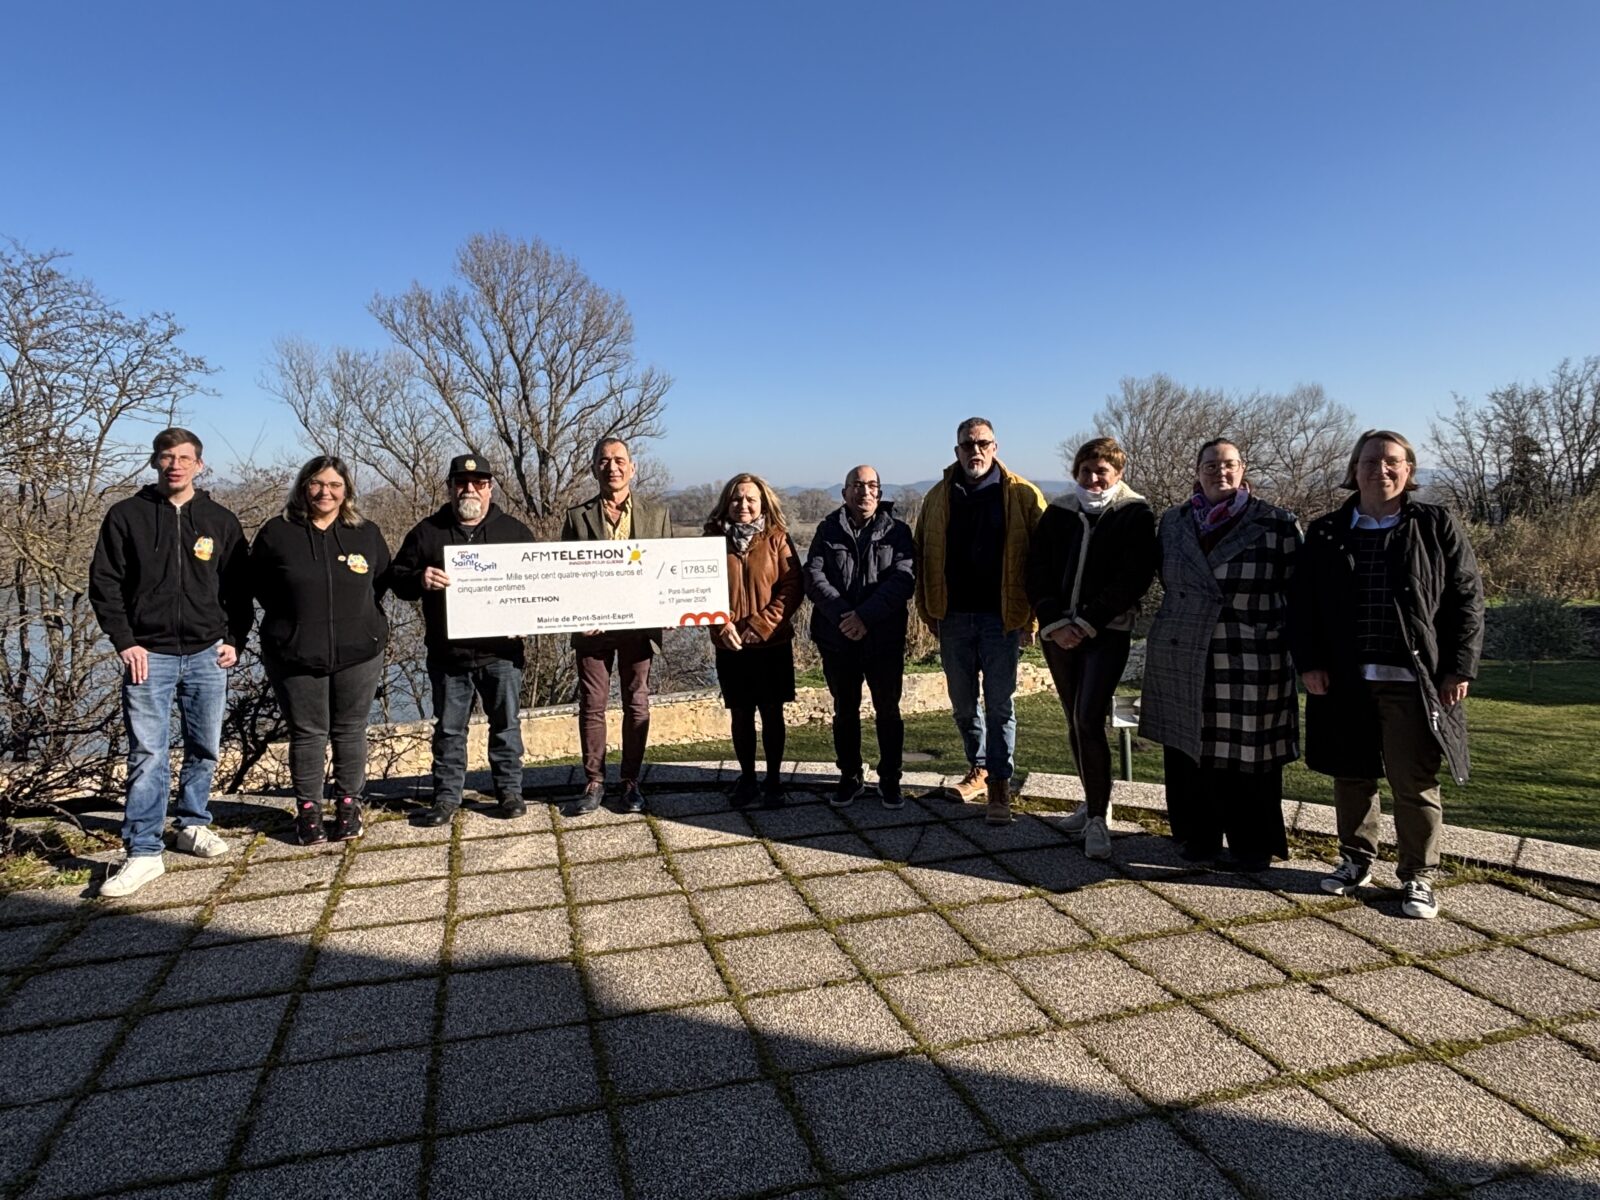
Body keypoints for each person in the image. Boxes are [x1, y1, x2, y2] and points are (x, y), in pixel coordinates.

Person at [1294, 430, 1484, 919]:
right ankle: (1356, 860)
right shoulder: (1328, 530)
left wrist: (1459, 666)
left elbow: (1467, 601)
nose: (1381, 469)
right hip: (1345, 678)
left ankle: (1418, 876)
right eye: (1370, 461)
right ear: (1353, 471)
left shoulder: (1435, 524)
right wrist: (1310, 662)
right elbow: (1305, 604)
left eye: (1392, 461)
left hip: (1413, 679)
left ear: (1409, 470)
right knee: (1351, 773)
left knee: (1413, 781)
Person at [89, 428, 254, 897]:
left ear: (200, 465)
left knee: (205, 748)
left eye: (185, 458)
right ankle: (143, 852)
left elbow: (239, 588)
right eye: (167, 457)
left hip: (207, 655)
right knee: (148, 755)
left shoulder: (220, 520)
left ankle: (191, 824)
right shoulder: (126, 517)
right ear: (155, 462)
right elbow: (105, 583)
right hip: (149, 656)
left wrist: (234, 639)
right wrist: (125, 640)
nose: (175, 465)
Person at [1139, 438, 1301, 872]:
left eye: (1228, 464)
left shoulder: (1277, 523)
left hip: (1248, 652)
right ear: (1197, 471)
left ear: (1243, 469)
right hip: (1183, 649)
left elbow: (1299, 592)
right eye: (1210, 465)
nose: (1219, 472)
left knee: (1250, 755)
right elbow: (1162, 576)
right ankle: (1199, 836)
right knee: (1191, 750)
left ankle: (1253, 844)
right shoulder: (1173, 522)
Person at [1026, 437, 1157, 860]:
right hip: (1059, 634)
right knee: (1073, 719)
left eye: (1102, 471)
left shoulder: (1134, 514)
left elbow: (1134, 576)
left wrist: (1086, 622)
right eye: (1086, 470)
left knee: (1088, 717)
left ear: (1118, 473)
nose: (1093, 478)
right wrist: (1055, 620)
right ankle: (1090, 803)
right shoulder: (1060, 512)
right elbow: (1037, 569)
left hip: (1107, 631)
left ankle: (1100, 818)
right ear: (1076, 473)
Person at [250, 456, 391, 845]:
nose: (324, 492)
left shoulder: (365, 533)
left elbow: (379, 582)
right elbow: (258, 585)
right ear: (303, 487)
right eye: (316, 484)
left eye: (334, 485)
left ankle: (349, 804)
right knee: (307, 733)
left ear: (346, 491)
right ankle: (308, 810)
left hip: (359, 651)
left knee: (350, 729)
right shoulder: (277, 533)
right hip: (294, 652)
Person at [913, 417, 1046, 825]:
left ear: (996, 447)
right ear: (956, 451)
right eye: (968, 444)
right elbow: (922, 556)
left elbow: (1044, 559)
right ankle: (980, 767)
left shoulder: (1022, 494)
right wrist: (927, 611)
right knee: (963, 705)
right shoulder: (938, 496)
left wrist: (1033, 619)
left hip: (1002, 617)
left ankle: (1000, 786)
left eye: (983, 443)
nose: (976, 451)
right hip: (953, 616)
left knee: (1000, 706)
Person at [391, 454, 535, 827]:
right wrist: (420, 578)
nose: (469, 489)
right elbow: (397, 579)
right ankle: (446, 798)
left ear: (490, 488)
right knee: (449, 730)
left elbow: (537, 587)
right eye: (461, 483)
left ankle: (509, 792)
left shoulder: (515, 532)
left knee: (506, 727)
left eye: (478, 483)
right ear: (450, 487)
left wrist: (529, 619)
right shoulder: (426, 532)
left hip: (501, 654)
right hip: (447, 655)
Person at [560, 436, 674, 815]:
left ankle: (631, 783)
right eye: (605, 460)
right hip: (593, 629)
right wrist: (578, 614)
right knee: (592, 705)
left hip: (639, 629)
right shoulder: (576, 517)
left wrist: (672, 607)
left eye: (620, 460)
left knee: (636, 705)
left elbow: (668, 570)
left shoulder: (656, 514)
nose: (613, 467)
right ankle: (594, 782)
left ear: (632, 467)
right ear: (594, 467)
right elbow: (563, 575)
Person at [803, 464, 916, 809]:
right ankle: (849, 775)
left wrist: (865, 617)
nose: (864, 492)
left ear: (879, 493)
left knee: (888, 711)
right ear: (845, 492)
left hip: (882, 640)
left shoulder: (897, 531)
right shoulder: (827, 530)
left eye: (871, 486)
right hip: (838, 639)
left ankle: (890, 778)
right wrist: (844, 616)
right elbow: (813, 577)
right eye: (856, 485)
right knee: (845, 711)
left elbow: (903, 580)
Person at [706, 473, 804, 808]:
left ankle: (774, 780)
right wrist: (721, 626)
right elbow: (700, 590)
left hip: (771, 644)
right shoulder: (711, 539)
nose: (743, 505)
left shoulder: (777, 538)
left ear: (762, 503)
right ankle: (747, 778)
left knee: (773, 714)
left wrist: (761, 625)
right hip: (730, 643)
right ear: (726, 502)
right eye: (736, 499)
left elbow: (792, 588)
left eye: (750, 499)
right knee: (741, 714)